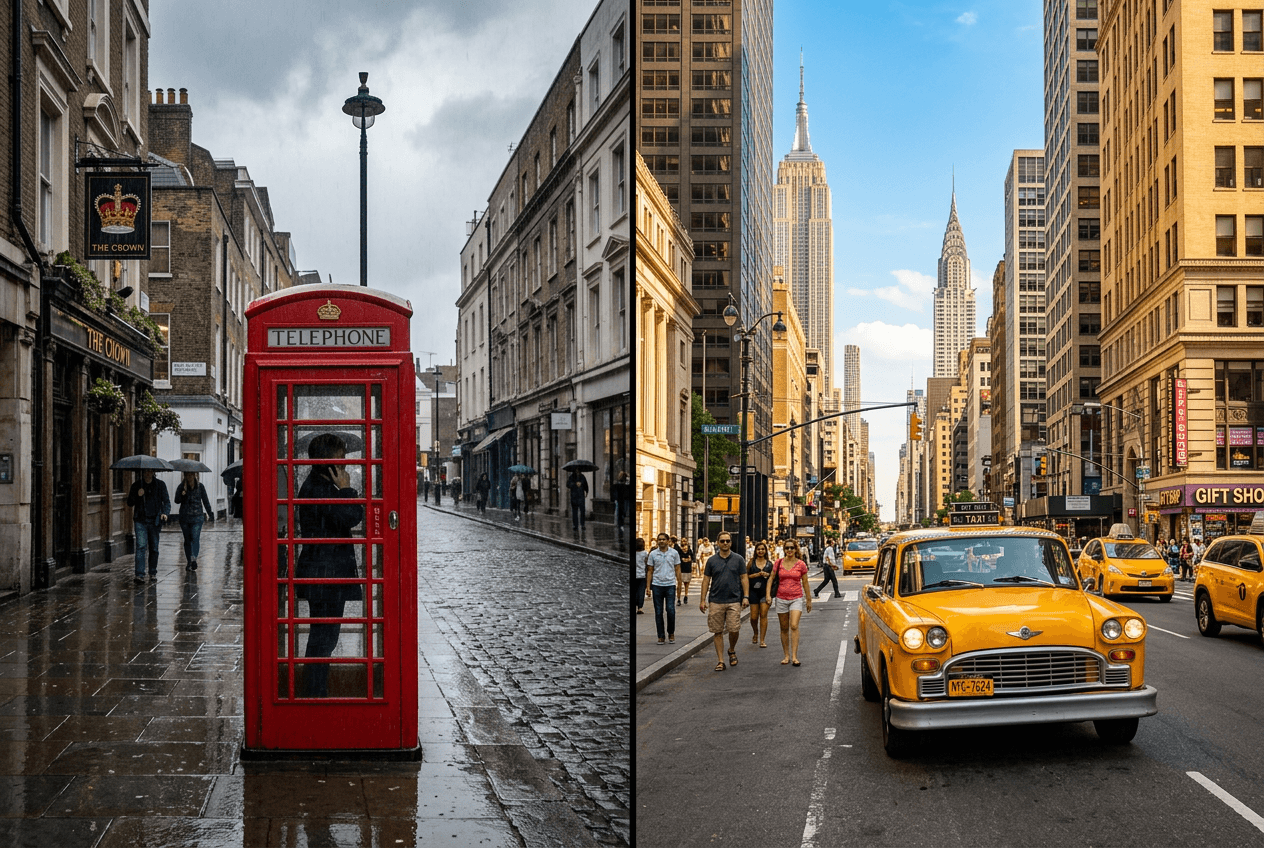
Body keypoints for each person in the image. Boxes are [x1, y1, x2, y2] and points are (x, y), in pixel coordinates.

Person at [296, 433, 364, 698]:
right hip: (325, 576)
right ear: (327, 461)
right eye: (340, 457)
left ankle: (315, 690)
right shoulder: (320, 489)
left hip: (324, 574)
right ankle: (314, 693)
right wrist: (346, 489)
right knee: (323, 640)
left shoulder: (320, 485)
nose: (344, 462)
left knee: (323, 639)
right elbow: (351, 515)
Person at [698, 533, 749, 671]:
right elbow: (706, 580)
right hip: (716, 600)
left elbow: (744, 578)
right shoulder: (711, 561)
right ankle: (720, 661)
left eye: (727, 541)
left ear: (731, 543)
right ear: (717, 543)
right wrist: (702, 600)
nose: (725, 543)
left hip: (734, 599)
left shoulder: (738, 559)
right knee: (717, 631)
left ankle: (731, 649)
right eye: (722, 541)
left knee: (734, 629)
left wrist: (746, 596)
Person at [767, 539, 812, 666]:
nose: (789, 550)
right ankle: (786, 655)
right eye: (787, 548)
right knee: (784, 628)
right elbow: (771, 579)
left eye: (792, 548)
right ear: (784, 549)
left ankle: (794, 656)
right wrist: (768, 595)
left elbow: (805, 582)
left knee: (794, 625)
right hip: (781, 598)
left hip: (796, 598)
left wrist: (808, 600)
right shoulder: (778, 563)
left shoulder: (801, 564)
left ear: (795, 549)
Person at [127, 468, 170, 583]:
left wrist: (165, 513)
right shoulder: (137, 485)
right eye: (145, 471)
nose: (147, 473)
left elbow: (166, 501)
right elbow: (129, 502)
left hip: (154, 521)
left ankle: (152, 572)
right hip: (140, 520)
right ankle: (139, 574)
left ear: (153, 472)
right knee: (141, 546)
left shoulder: (160, 485)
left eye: (150, 471)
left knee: (154, 548)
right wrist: (137, 495)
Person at [174, 471, 214, 571]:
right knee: (187, 540)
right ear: (185, 476)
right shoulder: (181, 486)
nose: (190, 476)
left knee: (195, 537)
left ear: (195, 475)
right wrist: (183, 494)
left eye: (191, 474)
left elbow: (205, 500)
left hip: (197, 517)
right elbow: (176, 500)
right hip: (185, 518)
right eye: (188, 474)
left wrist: (210, 513)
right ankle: (189, 562)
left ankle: (193, 559)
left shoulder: (200, 486)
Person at [646, 533, 681, 644]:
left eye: (663, 539)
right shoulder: (653, 554)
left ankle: (671, 632)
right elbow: (650, 571)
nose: (661, 541)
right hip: (657, 585)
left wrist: (679, 584)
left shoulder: (674, 553)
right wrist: (648, 587)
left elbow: (678, 569)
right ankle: (661, 636)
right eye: (659, 539)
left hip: (670, 584)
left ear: (668, 541)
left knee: (671, 610)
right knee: (658, 612)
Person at [746, 541, 773, 648]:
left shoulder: (769, 564)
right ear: (755, 551)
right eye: (758, 549)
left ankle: (762, 640)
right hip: (753, 592)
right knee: (753, 617)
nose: (760, 551)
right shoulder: (751, 563)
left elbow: (773, 578)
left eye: (762, 549)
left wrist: (768, 574)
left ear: (765, 551)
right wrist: (756, 575)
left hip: (765, 592)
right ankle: (755, 632)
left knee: (763, 615)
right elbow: (745, 577)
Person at [676, 538, 695, 604]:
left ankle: (686, 596)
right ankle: (678, 598)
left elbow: (692, 558)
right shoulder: (679, 551)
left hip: (688, 569)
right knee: (679, 585)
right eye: (682, 541)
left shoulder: (690, 551)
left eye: (685, 542)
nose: (684, 548)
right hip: (681, 569)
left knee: (686, 584)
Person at [633, 538, 649, 615]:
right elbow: (647, 564)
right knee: (641, 591)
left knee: (635, 590)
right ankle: (640, 607)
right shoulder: (645, 553)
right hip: (642, 575)